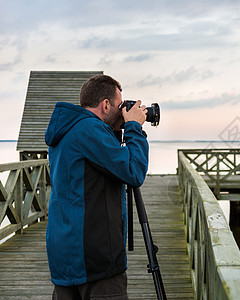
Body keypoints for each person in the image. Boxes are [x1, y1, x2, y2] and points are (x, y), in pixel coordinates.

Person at [45, 74, 149, 299]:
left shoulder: (69, 128)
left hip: (65, 255)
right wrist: (133, 128)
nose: (122, 110)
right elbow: (133, 172)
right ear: (105, 104)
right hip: (94, 259)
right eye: (120, 105)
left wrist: (117, 131)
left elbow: (95, 168)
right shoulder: (88, 130)